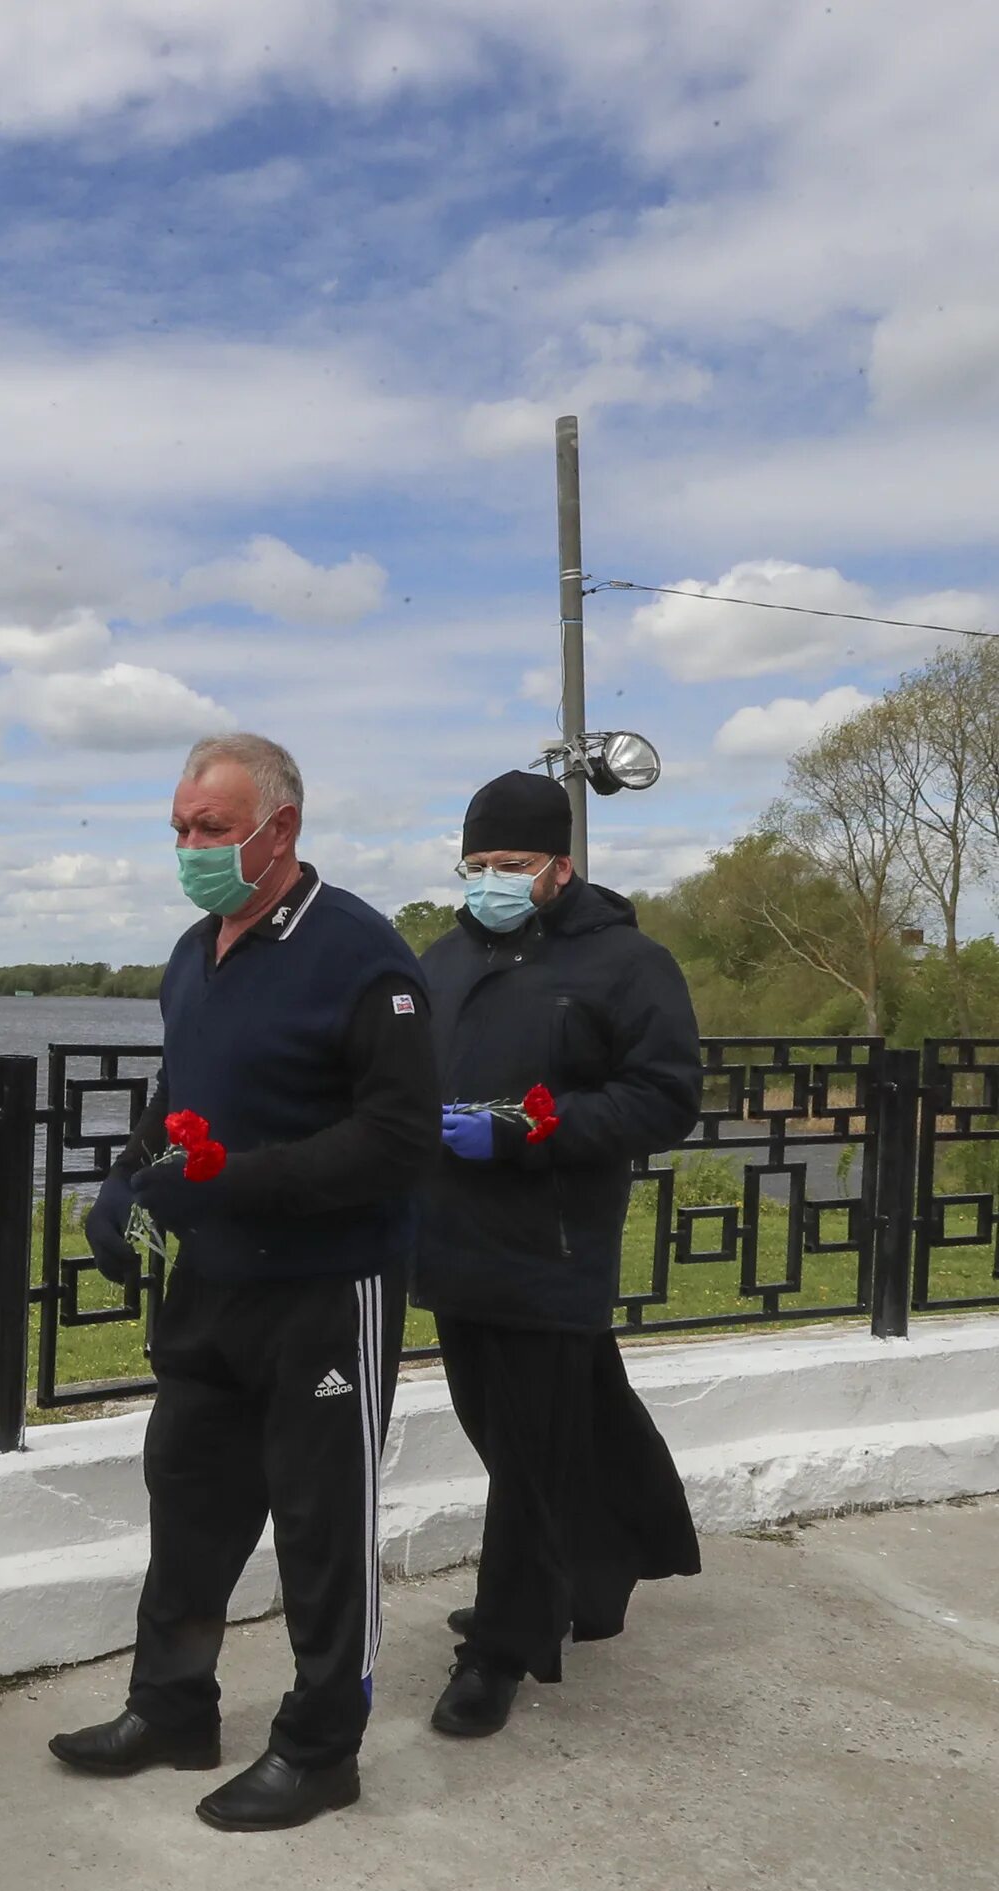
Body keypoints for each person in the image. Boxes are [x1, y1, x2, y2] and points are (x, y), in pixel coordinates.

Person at [63, 732, 436, 1831]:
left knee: (322, 1524)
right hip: (208, 1294)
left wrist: (236, 1186)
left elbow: (402, 1138)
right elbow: (179, 1096)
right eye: (180, 827)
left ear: (281, 829)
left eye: (211, 829)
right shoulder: (194, 951)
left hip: (328, 1287)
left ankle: (323, 1746)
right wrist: (127, 1185)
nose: (190, 846)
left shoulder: (364, 955)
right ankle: (171, 1708)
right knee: (187, 1500)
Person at [414, 770, 703, 1736]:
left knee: (531, 1458)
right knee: (520, 1430)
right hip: (453, 1244)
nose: (490, 880)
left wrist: (526, 1130)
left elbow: (664, 1098)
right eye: (477, 864)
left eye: (512, 864)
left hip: (552, 1247)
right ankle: (596, 1571)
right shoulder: (442, 961)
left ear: (561, 865)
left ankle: (500, 1648)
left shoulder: (627, 964)